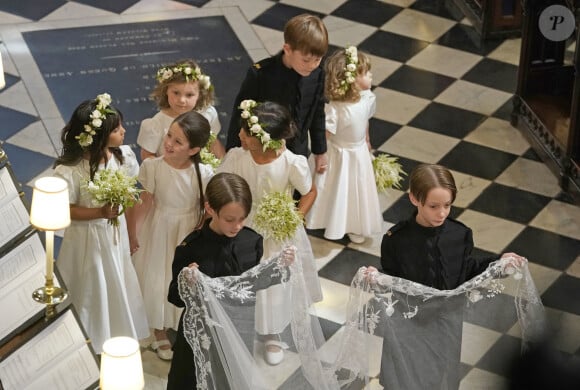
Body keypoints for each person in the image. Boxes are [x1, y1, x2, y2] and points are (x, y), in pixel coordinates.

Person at [374, 163, 528, 388]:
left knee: (438, 377)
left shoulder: (460, 234)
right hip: (409, 326)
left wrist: (499, 263)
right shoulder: (395, 239)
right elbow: (392, 280)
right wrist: (376, 278)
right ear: (415, 199)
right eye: (434, 206)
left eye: (447, 205)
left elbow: (467, 270)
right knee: (404, 378)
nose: (442, 213)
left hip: (446, 324)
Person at [218, 100, 322, 365]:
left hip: (275, 232)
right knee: (243, 274)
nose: (239, 134)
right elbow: (222, 185)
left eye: (246, 132)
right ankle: (242, 323)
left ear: (264, 139)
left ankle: (272, 332)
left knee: (273, 281)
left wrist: (294, 217)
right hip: (243, 226)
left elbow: (310, 191)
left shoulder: (290, 163)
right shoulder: (237, 158)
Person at [53, 93, 149, 354]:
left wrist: (130, 228)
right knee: (92, 283)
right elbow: (66, 209)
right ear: (98, 137)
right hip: (87, 239)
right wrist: (100, 213)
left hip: (114, 238)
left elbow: (129, 195)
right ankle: (88, 335)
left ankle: (116, 329)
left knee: (116, 278)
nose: (124, 131)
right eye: (117, 129)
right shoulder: (71, 171)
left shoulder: (123, 158)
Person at [166, 172, 264, 389]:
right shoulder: (191, 248)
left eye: (242, 218)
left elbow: (253, 288)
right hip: (200, 335)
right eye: (230, 219)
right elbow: (174, 297)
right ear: (210, 209)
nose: (237, 226)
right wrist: (187, 283)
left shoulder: (252, 241)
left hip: (238, 329)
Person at [129, 110, 213, 361]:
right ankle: (158, 329)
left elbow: (205, 207)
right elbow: (144, 202)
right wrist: (133, 234)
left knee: (182, 277)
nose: (168, 143)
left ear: (194, 149)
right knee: (158, 277)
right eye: (169, 135)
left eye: (178, 141)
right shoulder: (152, 167)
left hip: (187, 229)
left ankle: (180, 321)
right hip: (160, 228)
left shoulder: (204, 173)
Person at [225, 13, 329, 174]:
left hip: (297, 154)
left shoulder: (317, 74)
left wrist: (320, 151)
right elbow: (240, 116)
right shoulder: (261, 74)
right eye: (306, 60)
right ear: (287, 49)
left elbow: (317, 113)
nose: (312, 66)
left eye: (318, 60)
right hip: (262, 154)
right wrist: (232, 154)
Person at [305, 46, 382, 244]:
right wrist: (320, 155)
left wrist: (366, 139)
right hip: (338, 155)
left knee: (356, 189)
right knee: (336, 188)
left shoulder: (367, 99)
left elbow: (365, 121)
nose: (371, 75)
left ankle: (355, 223)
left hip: (358, 153)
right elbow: (325, 135)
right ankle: (328, 219)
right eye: (366, 73)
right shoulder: (336, 109)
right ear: (352, 80)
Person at [137, 59, 224, 161]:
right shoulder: (157, 124)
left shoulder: (207, 114)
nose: (182, 100)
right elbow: (147, 155)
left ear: (200, 95)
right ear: (166, 91)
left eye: (189, 95)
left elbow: (213, 143)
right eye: (176, 93)